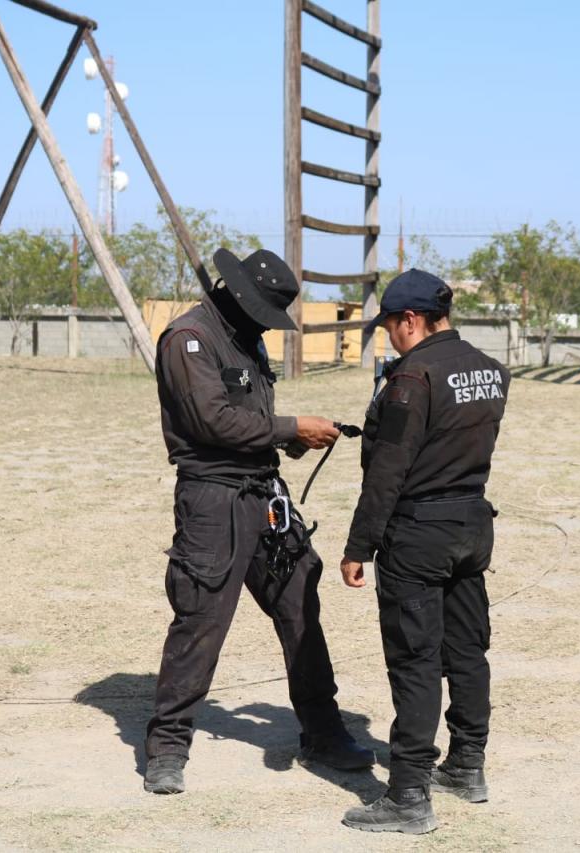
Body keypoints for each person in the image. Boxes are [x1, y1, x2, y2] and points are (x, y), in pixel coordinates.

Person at [144, 247, 375, 794]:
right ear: (238, 294)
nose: (265, 322)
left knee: (300, 607)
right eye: (261, 311)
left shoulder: (247, 337)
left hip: (264, 494)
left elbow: (249, 418)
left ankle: (323, 731)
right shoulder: (188, 339)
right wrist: (291, 427)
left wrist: (291, 441)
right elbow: (212, 421)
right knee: (201, 620)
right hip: (212, 502)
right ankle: (167, 747)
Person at [338, 269, 509, 834]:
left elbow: (386, 471)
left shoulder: (414, 377)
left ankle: (408, 794)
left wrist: (358, 546)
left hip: (418, 533)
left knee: (415, 660)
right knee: (467, 650)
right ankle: (466, 765)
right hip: (471, 524)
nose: (388, 336)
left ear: (410, 320)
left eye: (389, 325)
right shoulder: (490, 369)